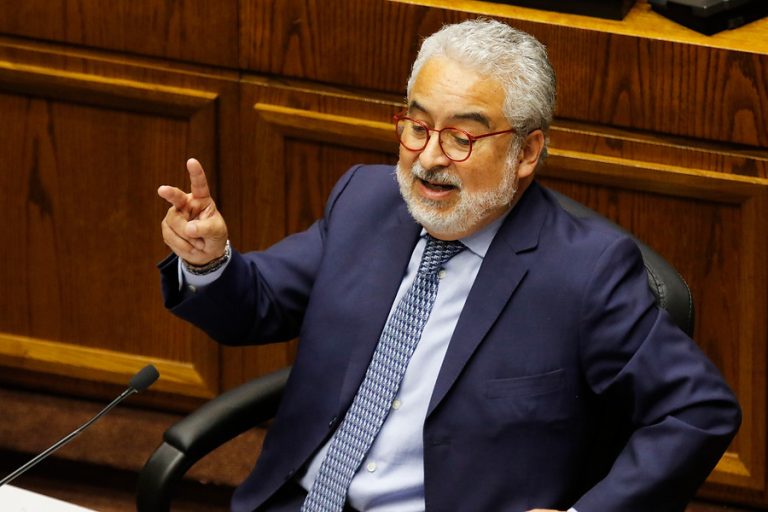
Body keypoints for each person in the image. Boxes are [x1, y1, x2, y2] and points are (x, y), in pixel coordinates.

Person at [157, 19, 740, 512]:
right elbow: (257, 304)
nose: (429, 158)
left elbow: (698, 410)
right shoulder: (366, 201)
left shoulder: (586, 272)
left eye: (461, 137)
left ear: (527, 152)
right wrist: (209, 262)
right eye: (417, 127)